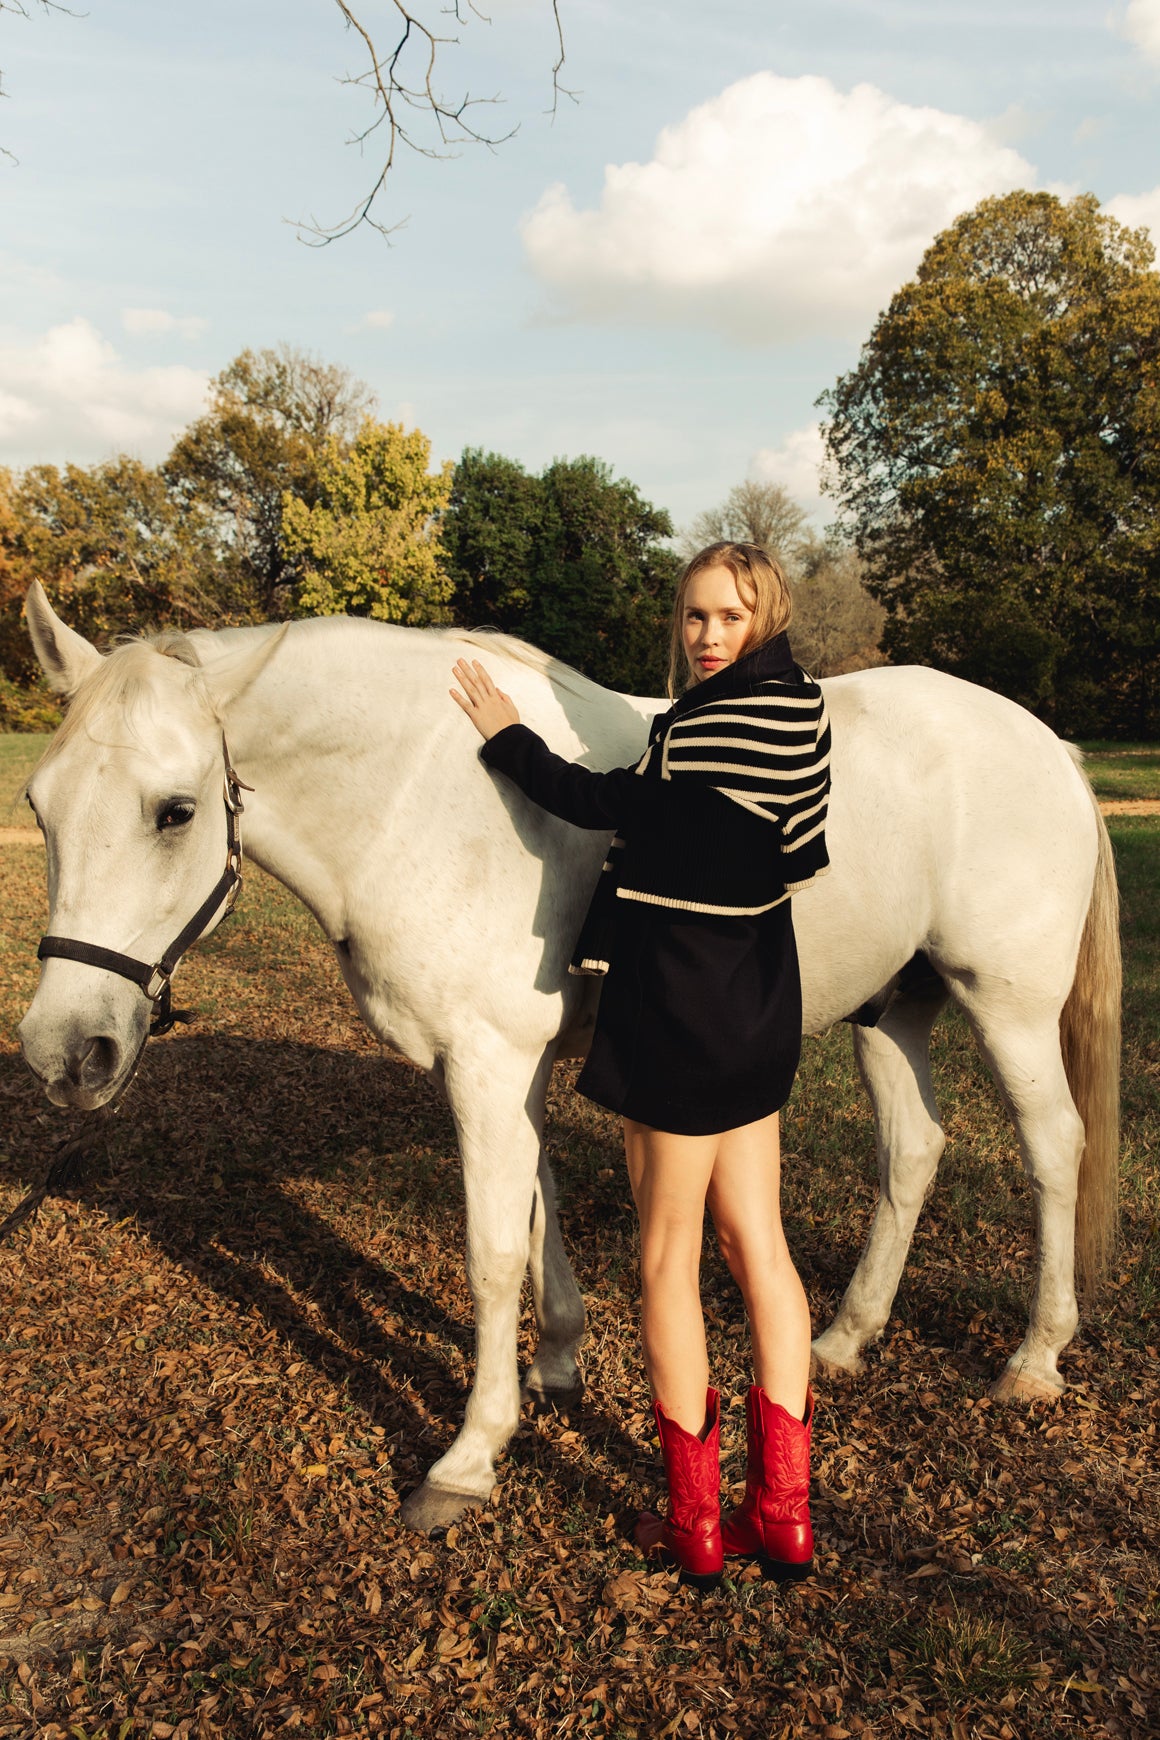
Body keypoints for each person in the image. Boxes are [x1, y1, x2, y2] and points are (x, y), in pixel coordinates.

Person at [449, 541, 830, 1588]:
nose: (707, 636)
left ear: (764, 615)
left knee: (668, 1258)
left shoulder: (706, 725)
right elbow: (794, 851)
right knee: (759, 1247)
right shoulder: (800, 713)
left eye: (727, 617)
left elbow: (599, 801)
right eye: (695, 616)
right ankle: (785, 1519)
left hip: (677, 1012)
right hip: (758, 1005)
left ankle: (696, 1527)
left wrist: (506, 739)